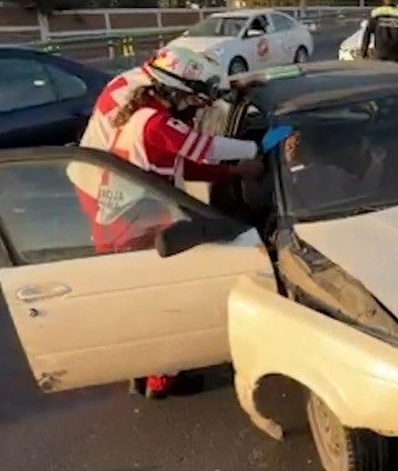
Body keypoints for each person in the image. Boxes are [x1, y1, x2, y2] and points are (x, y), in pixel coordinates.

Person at [70, 46, 273, 401]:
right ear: (178, 93)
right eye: (195, 100)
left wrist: (234, 171)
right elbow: (202, 148)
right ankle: (164, 380)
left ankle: (143, 370)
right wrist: (252, 152)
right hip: (135, 223)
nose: (198, 108)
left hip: (126, 218)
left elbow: (185, 165)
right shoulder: (156, 123)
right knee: (167, 298)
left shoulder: (144, 112)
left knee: (145, 300)